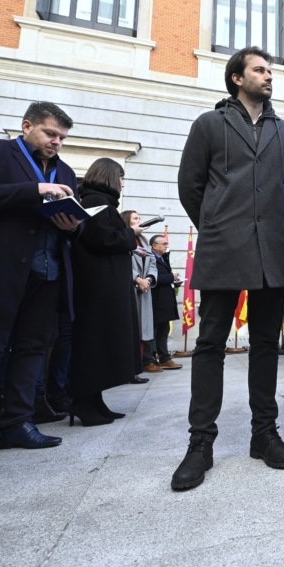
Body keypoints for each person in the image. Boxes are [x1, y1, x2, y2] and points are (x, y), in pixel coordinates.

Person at [172, 46, 284, 490]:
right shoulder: (209, 124)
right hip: (222, 248)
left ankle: (264, 435)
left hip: (271, 252)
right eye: (259, 70)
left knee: (266, 344)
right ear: (237, 78)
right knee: (210, 344)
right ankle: (200, 444)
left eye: (270, 70)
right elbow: (190, 185)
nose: (269, 76)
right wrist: (216, 225)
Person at [0, 102, 80, 469]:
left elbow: (73, 222)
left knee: (32, 349)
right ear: (26, 126)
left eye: (62, 138)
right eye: (51, 134)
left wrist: (74, 226)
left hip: (48, 273)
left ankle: (17, 424)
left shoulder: (65, 171)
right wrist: (35, 189)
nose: (57, 142)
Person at [69, 158, 141, 426]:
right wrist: (131, 233)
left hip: (102, 283)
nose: (123, 184)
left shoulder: (101, 202)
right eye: (121, 177)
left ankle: (94, 401)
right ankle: (83, 402)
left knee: (100, 342)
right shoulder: (95, 201)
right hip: (97, 286)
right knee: (94, 343)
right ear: (110, 177)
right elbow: (103, 239)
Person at [121, 211, 158, 373]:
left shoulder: (143, 241)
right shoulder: (124, 239)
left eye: (140, 218)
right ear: (127, 222)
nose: (140, 220)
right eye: (135, 218)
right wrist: (137, 279)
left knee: (144, 328)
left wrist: (148, 279)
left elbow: (152, 263)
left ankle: (143, 362)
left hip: (145, 289)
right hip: (130, 287)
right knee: (131, 328)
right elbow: (122, 262)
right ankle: (130, 366)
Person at [149, 234, 183, 370]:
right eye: (163, 244)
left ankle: (164, 358)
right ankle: (150, 359)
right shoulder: (149, 258)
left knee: (164, 330)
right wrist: (170, 277)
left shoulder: (163, 258)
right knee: (153, 331)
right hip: (154, 301)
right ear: (154, 245)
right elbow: (151, 278)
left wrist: (175, 281)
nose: (166, 246)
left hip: (164, 300)